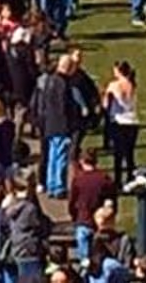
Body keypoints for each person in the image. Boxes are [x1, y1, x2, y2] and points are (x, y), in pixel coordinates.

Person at [68, 148, 118, 266]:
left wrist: (73, 215)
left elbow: (72, 201)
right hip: (101, 221)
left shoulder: (78, 179)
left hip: (83, 219)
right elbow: (113, 198)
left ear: (81, 161)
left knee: (84, 257)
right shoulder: (104, 178)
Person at [38, 55, 77, 199]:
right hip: (61, 125)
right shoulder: (64, 83)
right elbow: (64, 107)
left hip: (50, 123)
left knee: (52, 156)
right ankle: (59, 186)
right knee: (60, 157)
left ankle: (51, 184)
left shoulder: (50, 80)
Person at [104, 61, 139, 183]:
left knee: (118, 154)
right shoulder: (132, 84)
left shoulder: (114, 85)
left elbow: (106, 103)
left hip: (119, 121)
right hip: (133, 121)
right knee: (130, 153)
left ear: (119, 71)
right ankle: (130, 177)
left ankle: (118, 180)